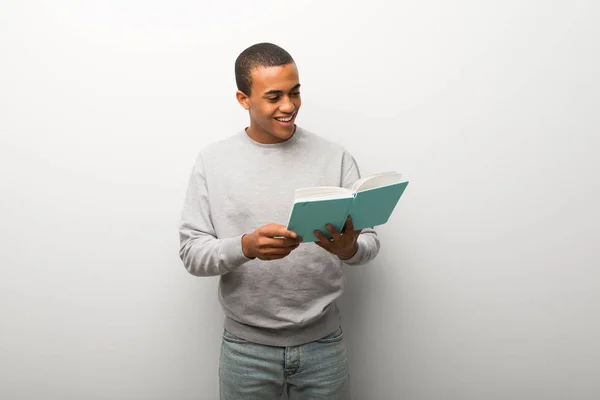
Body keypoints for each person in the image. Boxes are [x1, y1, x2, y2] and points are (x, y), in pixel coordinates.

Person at [178, 42, 380, 400]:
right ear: (244, 99)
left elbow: (370, 244)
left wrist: (350, 248)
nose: (289, 106)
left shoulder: (335, 157)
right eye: (274, 97)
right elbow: (192, 253)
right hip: (245, 350)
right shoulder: (213, 161)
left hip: (324, 345)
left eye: (295, 92)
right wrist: (246, 247)